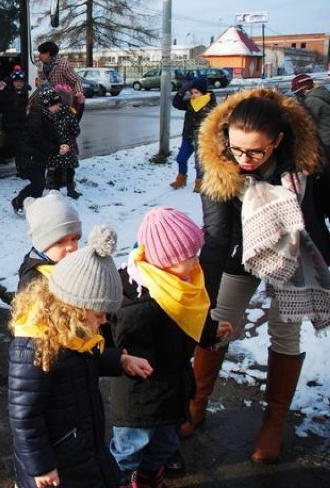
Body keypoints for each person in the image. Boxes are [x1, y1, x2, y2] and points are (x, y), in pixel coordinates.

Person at [190, 88, 330, 463]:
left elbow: (318, 216)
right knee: (218, 321)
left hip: (294, 250)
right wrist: (204, 296)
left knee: (286, 331)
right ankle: (196, 401)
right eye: (237, 149)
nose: (244, 159)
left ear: (279, 140)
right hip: (238, 250)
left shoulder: (306, 159)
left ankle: (273, 423)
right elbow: (216, 236)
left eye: (255, 151)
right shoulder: (217, 161)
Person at [8, 225, 153, 488]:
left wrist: (119, 360)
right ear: (72, 307)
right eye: (98, 314)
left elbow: (84, 362)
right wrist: (42, 466)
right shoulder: (35, 345)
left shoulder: (74, 332)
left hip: (81, 445)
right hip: (56, 461)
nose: (103, 321)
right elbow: (25, 415)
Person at [109, 208, 232, 486]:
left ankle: (149, 477)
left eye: (195, 254)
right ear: (162, 262)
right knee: (130, 448)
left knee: (164, 445)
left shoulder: (181, 285)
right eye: (186, 258)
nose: (194, 263)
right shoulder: (142, 305)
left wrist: (209, 332)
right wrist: (130, 361)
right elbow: (123, 349)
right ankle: (119, 480)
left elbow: (187, 323)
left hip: (171, 388)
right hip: (142, 397)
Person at [17, 191, 82, 293]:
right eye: (60, 242)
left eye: (74, 239)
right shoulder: (32, 282)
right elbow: (25, 308)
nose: (70, 247)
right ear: (42, 245)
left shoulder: (74, 263)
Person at [11, 88, 64, 213]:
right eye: (57, 105)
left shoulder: (48, 116)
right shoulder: (36, 118)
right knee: (38, 183)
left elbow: (52, 135)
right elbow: (39, 141)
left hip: (39, 157)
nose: (59, 107)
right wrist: (57, 149)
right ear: (49, 105)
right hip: (29, 156)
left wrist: (61, 144)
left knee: (40, 185)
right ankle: (18, 201)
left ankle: (34, 206)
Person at [170, 77, 217, 192]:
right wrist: (182, 90)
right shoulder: (191, 103)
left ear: (203, 92)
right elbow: (176, 103)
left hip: (202, 138)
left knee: (199, 163)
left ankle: (200, 182)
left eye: (196, 92)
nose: (193, 95)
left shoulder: (210, 104)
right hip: (188, 136)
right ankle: (181, 179)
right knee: (181, 158)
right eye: (191, 92)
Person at [43, 89, 82, 199]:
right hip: (68, 147)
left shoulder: (50, 114)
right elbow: (76, 131)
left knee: (57, 169)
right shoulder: (70, 114)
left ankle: (55, 190)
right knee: (69, 170)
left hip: (56, 147)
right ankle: (71, 189)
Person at [36, 41, 85, 109]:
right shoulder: (45, 66)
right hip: (54, 103)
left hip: (68, 103)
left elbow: (77, 80)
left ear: (48, 53)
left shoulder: (63, 65)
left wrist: (79, 93)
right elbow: (43, 83)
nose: (39, 55)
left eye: (41, 53)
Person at [0, 65, 31, 162]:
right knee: (19, 146)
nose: (19, 83)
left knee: (18, 146)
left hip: (21, 123)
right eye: (16, 81)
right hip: (11, 124)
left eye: (21, 81)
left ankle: (5, 155)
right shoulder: (8, 92)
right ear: (12, 82)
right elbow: (1, 104)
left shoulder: (24, 93)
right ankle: (20, 166)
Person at [291, 73, 330, 157]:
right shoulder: (321, 94)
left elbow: (307, 122)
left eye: (298, 93)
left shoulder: (312, 100)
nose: (297, 96)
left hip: (324, 142)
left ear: (304, 90)